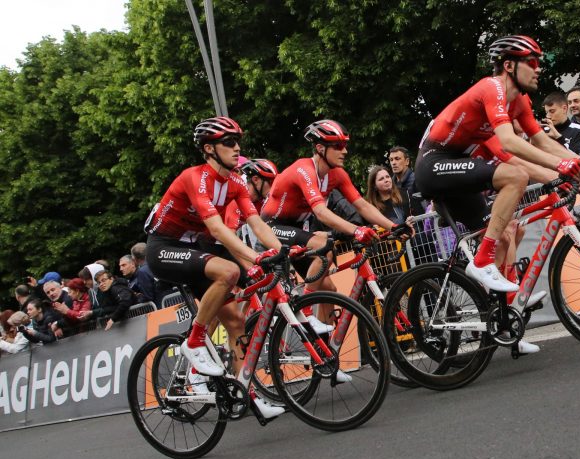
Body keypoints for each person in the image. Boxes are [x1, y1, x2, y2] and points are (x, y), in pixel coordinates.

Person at [414, 35, 580, 354]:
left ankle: (506, 318)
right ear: (509, 65)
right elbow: (511, 149)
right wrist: (560, 167)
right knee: (516, 177)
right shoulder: (492, 88)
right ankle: (481, 261)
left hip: (459, 169)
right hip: (434, 163)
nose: (539, 69)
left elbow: (540, 143)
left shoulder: (519, 101)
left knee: (510, 232)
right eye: (533, 63)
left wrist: (579, 163)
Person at [144, 116, 284, 418]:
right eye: (228, 142)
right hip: (165, 248)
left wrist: (280, 250)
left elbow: (256, 222)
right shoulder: (195, 177)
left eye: (238, 141)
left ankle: (248, 395)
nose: (237, 148)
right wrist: (254, 256)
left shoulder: (235, 182)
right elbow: (220, 231)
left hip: (195, 250)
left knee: (235, 321)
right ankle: (194, 342)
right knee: (230, 272)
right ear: (209, 148)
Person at [261, 119, 412, 319]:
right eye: (338, 146)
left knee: (329, 291)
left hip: (297, 228)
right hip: (272, 226)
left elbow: (362, 205)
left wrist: (394, 227)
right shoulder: (304, 169)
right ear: (320, 148)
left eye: (345, 145)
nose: (345, 151)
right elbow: (321, 212)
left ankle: (321, 345)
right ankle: (306, 311)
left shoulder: (337, 174)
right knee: (325, 246)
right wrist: (356, 230)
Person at [542, 91, 580, 156]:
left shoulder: (579, 130)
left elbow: (578, 159)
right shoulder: (544, 130)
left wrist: (559, 138)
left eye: (552, 111)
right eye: (546, 112)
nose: (548, 116)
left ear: (564, 108)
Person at [388, 146, 423, 214]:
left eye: (397, 159)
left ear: (407, 161)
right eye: (391, 160)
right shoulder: (391, 184)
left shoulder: (417, 180)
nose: (393, 163)